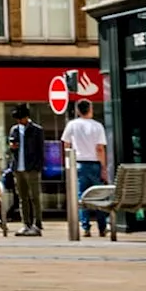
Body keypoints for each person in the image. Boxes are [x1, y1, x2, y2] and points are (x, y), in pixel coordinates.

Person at [62, 99, 109, 237]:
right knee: (99, 196)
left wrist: (68, 163)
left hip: (78, 164)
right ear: (90, 109)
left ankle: (85, 226)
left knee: (81, 196)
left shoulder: (72, 125)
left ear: (77, 111)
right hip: (94, 164)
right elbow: (100, 148)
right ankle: (102, 226)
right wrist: (103, 167)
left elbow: (66, 144)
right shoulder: (97, 126)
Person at [8, 103, 44, 236]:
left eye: (20, 118)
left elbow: (41, 151)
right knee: (22, 198)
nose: (19, 121)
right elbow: (11, 148)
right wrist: (12, 147)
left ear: (26, 117)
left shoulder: (36, 130)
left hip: (32, 168)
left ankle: (37, 224)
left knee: (35, 197)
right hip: (18, 168)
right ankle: (26, 224)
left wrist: (38, 167)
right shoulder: (14, 130)